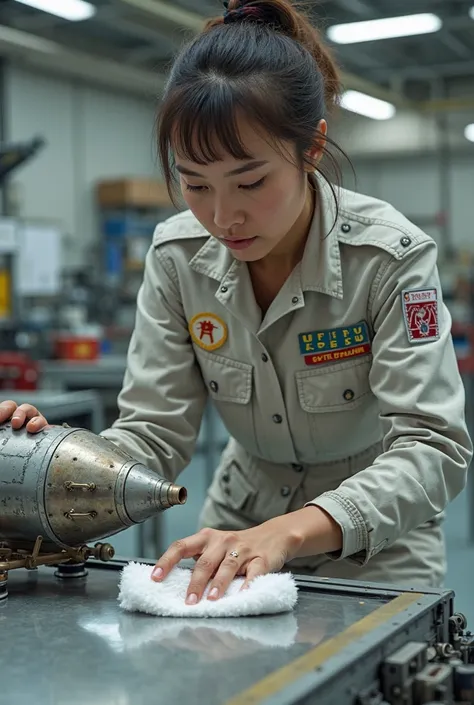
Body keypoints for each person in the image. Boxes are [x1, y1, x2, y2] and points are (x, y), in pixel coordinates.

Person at [1, 0, 471, 604]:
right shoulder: (176, 258)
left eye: (250, 182)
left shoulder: (389, 259)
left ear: (312, 148)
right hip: (239, 523)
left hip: (377, 540)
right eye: (195, 184)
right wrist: (53, 463)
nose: (222, 217)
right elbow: (153, 433)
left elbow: (434, 447)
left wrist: (291, 532)